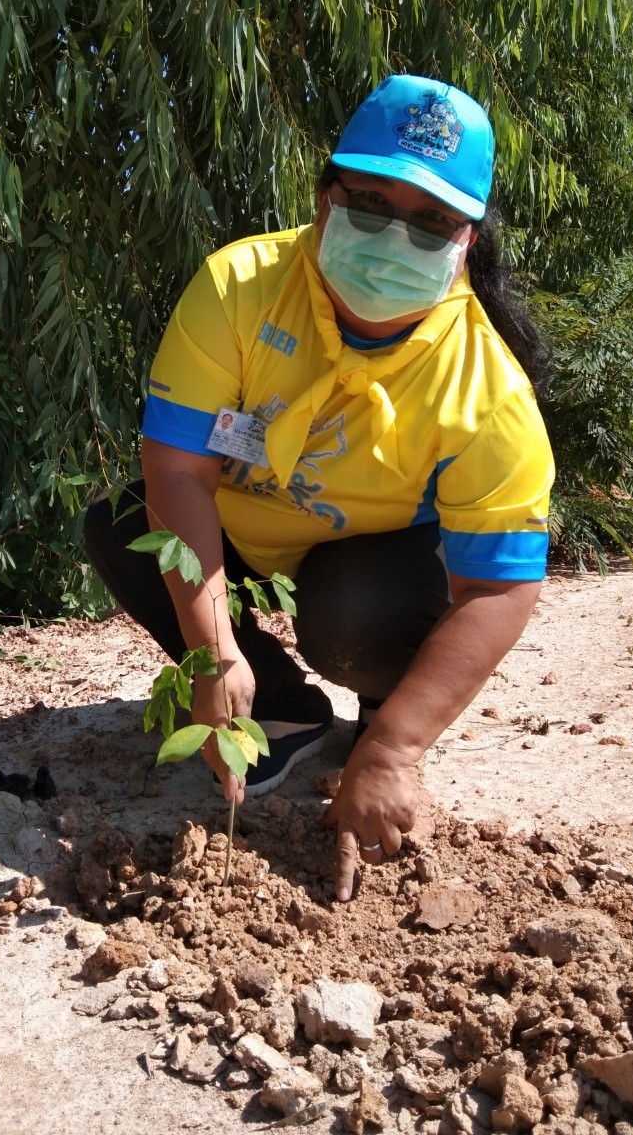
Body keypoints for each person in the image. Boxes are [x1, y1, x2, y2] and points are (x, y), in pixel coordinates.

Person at [85, 74, 555, 902]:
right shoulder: (238, 288)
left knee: (351, 611)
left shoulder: (489, 392)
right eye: (370, 202)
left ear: (467, 241)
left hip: (368, 565)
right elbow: (179, 469)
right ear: (324, 197)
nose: (394, 235)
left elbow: (499, 588)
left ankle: (380, 715)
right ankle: (281, 706)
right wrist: (210, 648)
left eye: (431, 220)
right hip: (236, 529)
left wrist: (396, 749)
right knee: (121, 525)